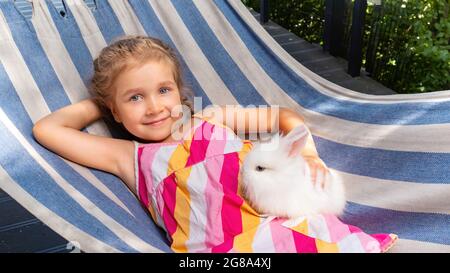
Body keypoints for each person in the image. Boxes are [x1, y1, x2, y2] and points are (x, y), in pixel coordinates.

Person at [32, 35, 366, 253]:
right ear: (114, 110)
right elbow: (48, 129)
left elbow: (283, 117)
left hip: (288, 225)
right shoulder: (128, 156)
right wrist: (104, 103)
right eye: (135, 97)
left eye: (164, 90)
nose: (154, 107)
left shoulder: (212, 119)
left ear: (179, 91)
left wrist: (307, 153)